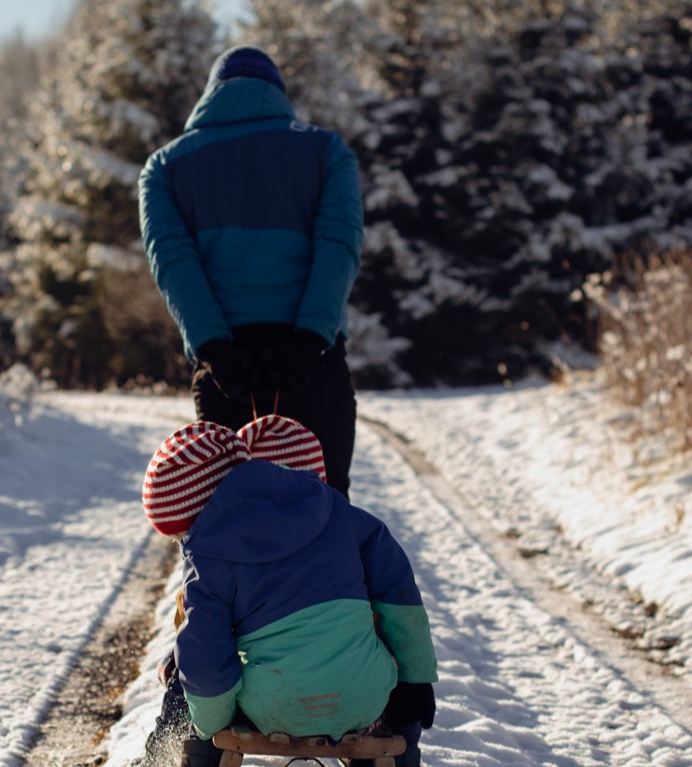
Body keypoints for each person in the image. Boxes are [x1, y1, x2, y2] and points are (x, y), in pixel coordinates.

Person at [137, 416, 437, 767]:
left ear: (198, 509)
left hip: (273, 705)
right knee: (396, 675)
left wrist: (210, 724)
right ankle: (403, 760)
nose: (183, 544)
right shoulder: (334, 507)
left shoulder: (207, 558)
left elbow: (205, 661)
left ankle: (189, 760)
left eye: (180, 535)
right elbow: (398, 591)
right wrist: (415, 678)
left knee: (196, 681)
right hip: (365, 698)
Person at [138, 45, 364, 497]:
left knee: (233, 525)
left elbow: (175, 264)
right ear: (274, 92)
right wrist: (310, 339)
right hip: (310, 362)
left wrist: (214, 348)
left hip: (227, 370)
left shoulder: (164, 168)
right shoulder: (325, 150)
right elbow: (338, 246)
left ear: (212, 94)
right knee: (327, 519)